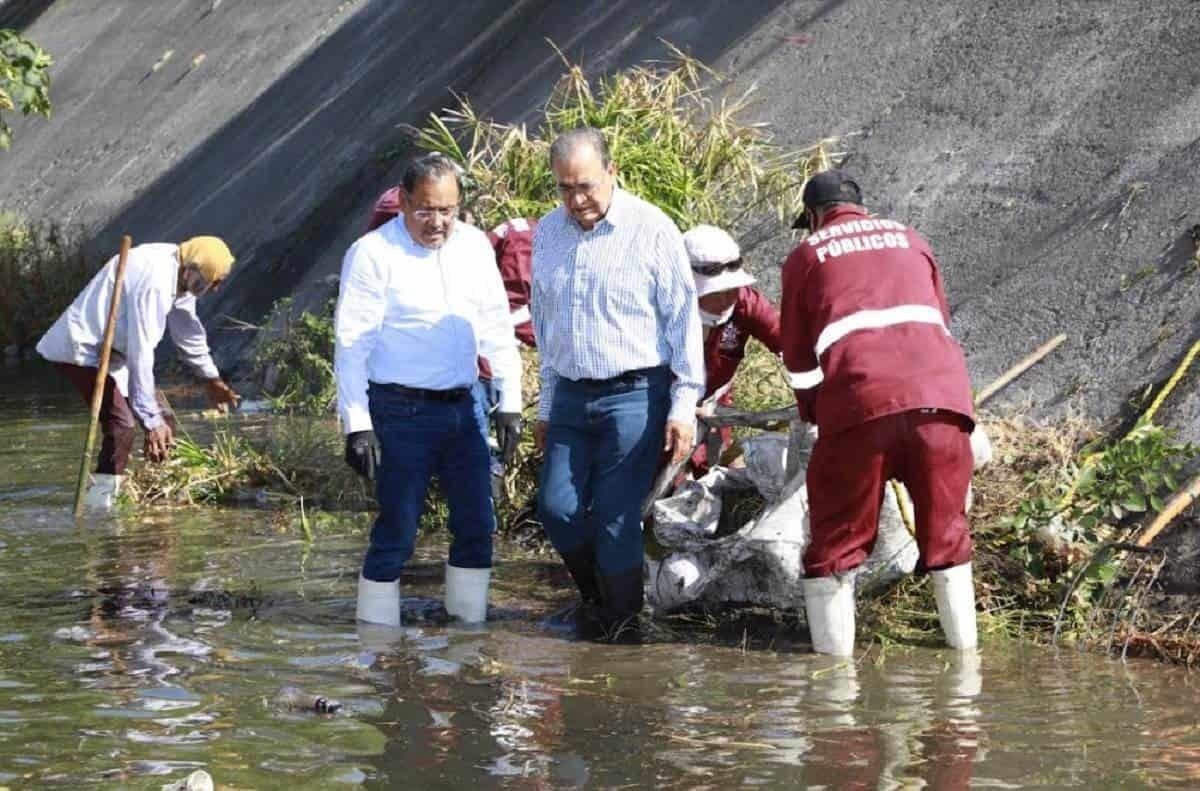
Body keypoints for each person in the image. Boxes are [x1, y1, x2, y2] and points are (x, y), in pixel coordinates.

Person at [780, 170, 977, 655]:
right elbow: (939, 322)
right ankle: (966, 668)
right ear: (861, 206)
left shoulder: (807, 255)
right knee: (948, 539)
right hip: (943, 402)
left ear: (812, 216)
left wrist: (815, 412)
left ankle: (833, 692)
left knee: (835, 547)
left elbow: (799, 360)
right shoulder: (912, 239)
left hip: (859, 406)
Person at [336, 152, 523, 626]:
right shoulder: (373, 254)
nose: (437, 222)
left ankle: (469, 639)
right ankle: (377, 648)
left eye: (447, 210)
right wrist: (358, 427)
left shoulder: (475, 246)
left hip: (465, 408)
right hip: (399, 411)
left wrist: (511, 402)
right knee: (398, 528)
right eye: (425, 210)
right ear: (402, 202)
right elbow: (351, 347)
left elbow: (497, 324)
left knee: (478, 524)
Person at [531, 127, 704, 635]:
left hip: (635, 392)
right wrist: (545, 405)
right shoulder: (549, 231)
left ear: (612, 173)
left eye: (585, 186)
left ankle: (624, 625)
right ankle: (597, 600)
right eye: (564, 189)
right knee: (557, 508)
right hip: (569, 392)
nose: (577, 200)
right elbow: (546, 324)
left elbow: (681, 319)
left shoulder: (651, 229)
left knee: (615, 516)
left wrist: (683, 404)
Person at [37, 237, 241, 509]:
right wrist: (149, 420)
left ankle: (157, 490)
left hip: (116, 354)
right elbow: (142, 352)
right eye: (212, 282)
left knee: (165, 420)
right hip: (83, 351)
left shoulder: (180, 275)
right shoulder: (156, 281)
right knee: (122, 427)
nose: (214, 289)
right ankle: (102, 507)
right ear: (192, 270)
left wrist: (211, 379)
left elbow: (187, 331)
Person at [680, 224, 782, 475]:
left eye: (732, 289)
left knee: (706, 475)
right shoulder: (656, 309)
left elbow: (791, 344)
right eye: (717, 291)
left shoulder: (746, 304)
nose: (727, 298)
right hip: (657, 412)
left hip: (714, 412)